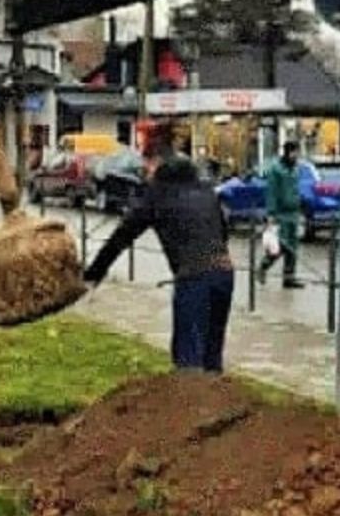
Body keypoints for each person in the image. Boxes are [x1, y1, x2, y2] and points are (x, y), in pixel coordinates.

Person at [82, 124, 235, 372]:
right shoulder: (204, 187)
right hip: (224, 274)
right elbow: (222, 231)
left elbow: (122, 236)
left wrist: (92, 275)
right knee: (212, 354)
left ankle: (191, 407)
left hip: (193, 276)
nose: (145, 172)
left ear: (155, 162)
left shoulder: (157, 193)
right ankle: (216, 405)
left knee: (188, 358)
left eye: (146, 165)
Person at [259, 140, 305, 289]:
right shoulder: (276, 170)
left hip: (294, 212)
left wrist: (300, 205)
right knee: (280, 246)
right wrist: (270, 214)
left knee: (293, 247)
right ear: (287, 152)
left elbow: (296, 189)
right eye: (294, 152)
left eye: (297, 152)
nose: (296, 155)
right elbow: (271, 192)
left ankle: (289, 278)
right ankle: (263, 267)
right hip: (281, 213)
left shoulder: (295, 169)